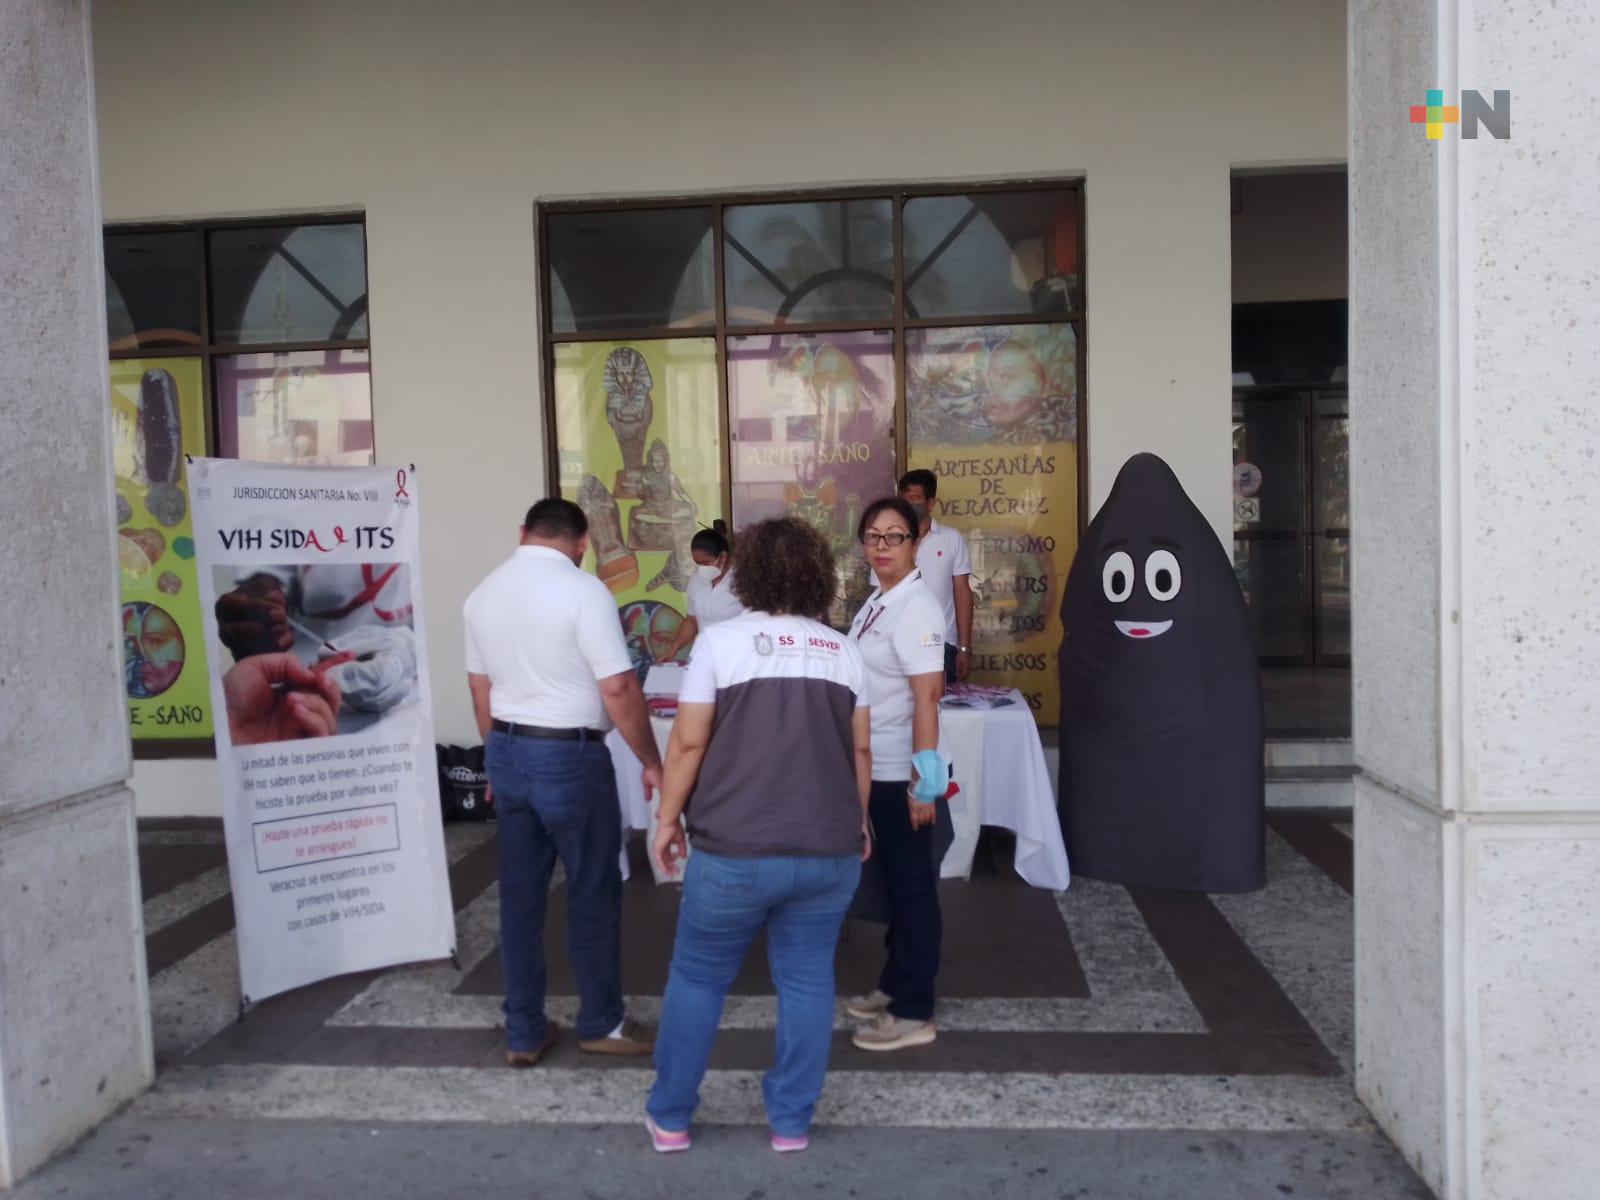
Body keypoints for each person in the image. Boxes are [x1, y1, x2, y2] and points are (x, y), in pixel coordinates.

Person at [645, 518, 872, 1154]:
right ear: (817, 576)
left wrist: (666, 821)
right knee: (806, 981)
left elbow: (689, 741)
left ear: (748, 574)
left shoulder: (722, 643)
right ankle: (791, 1122)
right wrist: (858, 822)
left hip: (732, 850)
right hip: (827, 849)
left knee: (697, 979)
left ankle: (670, 1118)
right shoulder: (843, 649)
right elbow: (859, 751)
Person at [462, 498, 661, 1067]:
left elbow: (480, 689)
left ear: (522, 531)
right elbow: (619, 689)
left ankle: (522, 1030)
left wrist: (495, 762)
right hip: (570, 757)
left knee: (520, 898)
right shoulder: (584, 591)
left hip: (507, 748)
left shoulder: (482, 593)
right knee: (592, 891)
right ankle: (601, 1022)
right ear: (582, 543)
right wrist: (651, 759)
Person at [845, 496, 949, 1052]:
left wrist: (922, 781)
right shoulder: (877, 603)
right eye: (873, 537)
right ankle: (894, 984)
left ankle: (915, 1011)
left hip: (900, 775)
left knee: (913, 891)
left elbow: (926, 698)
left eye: (895, 536)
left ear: (917, 542)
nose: (882, 547)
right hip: (875, 768)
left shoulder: (917, 608)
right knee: (892, 886)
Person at [897, 469, 974, 682]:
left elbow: (962, 592)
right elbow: (880, 595)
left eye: (914, 499)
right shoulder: (891, 541)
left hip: (941, 647)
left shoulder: (951, 539)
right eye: (903, 500)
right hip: (898, 646)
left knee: (938, 711)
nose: (908, 506)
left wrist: (964, 648)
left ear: (931, 503)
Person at [657, 521, 747, 662]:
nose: (701, 568)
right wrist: (674, 648)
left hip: (737, 658)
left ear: (722, 557)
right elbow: (692, 620)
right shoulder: (696, 580)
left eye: (706, 563)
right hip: (704, 656)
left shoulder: (743, 580)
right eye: (697, 563)